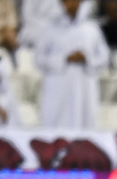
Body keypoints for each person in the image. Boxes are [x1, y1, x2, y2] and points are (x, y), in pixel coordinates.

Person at [35, 0, 110, 129]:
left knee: (84, 125)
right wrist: (64, 59)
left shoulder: (92, 29)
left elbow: (104, 58)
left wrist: (87, 58)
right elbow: (38, 59)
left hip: (85, 86)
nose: (68, 4)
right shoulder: (50, 29)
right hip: (58, 87)